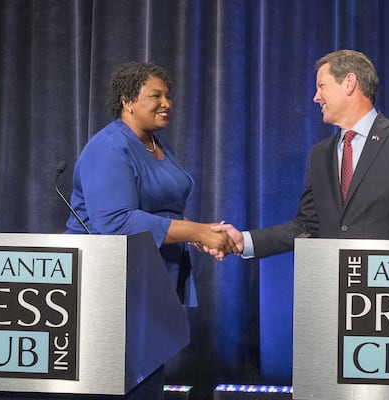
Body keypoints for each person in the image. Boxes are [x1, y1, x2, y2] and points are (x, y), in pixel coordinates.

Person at [65, 61, 237, 398]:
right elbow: (116, 222)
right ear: (128, 100)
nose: (167, 103)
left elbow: (165, 206)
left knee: (149, 377)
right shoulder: (109, 147)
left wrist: (198, 234)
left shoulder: (155, 143)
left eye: (168, 96)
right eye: (155, 95)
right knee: (125, 381)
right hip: (114, 284)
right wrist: (196, 231)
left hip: (153, 275)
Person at [214, 49, 389, 258]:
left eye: (322, 86)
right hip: (337, 292)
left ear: (349, 83)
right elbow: (307, 226)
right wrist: (243, 241)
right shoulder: (320, 155)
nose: (316, 97)